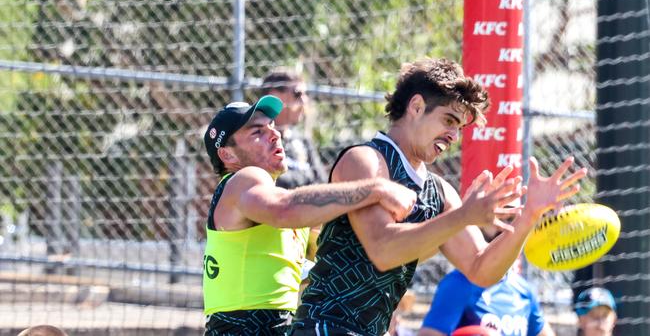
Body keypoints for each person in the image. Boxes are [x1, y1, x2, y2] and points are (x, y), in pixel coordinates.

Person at [291, 57, 586, 335]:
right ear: (416, 106)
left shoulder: (439, 192)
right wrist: (463, 216)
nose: (453, 136)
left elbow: (481, 269)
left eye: (459, 128)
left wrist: (528, 216)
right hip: (323, 326)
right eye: (448, 120)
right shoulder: (367, 160)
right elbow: (383, 249)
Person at [202, 95, 418, 335]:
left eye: (272, 127)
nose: (275, 134)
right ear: (227, 155)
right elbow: (284, 210)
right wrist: (375, 189)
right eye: (257, 133)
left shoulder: (267, 207)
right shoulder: (244, 179)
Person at [418, 208, 556, 336]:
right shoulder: (458, 285)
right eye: (500, 214)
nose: (507, 226)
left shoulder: (523, 290)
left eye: (513, 217)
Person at [260, 69, 327, 189]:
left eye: (305, 94)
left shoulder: (303, 141)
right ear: (275, 96)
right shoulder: (257, 140)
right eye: (297, 94)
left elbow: (322, 182)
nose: (304, 100)